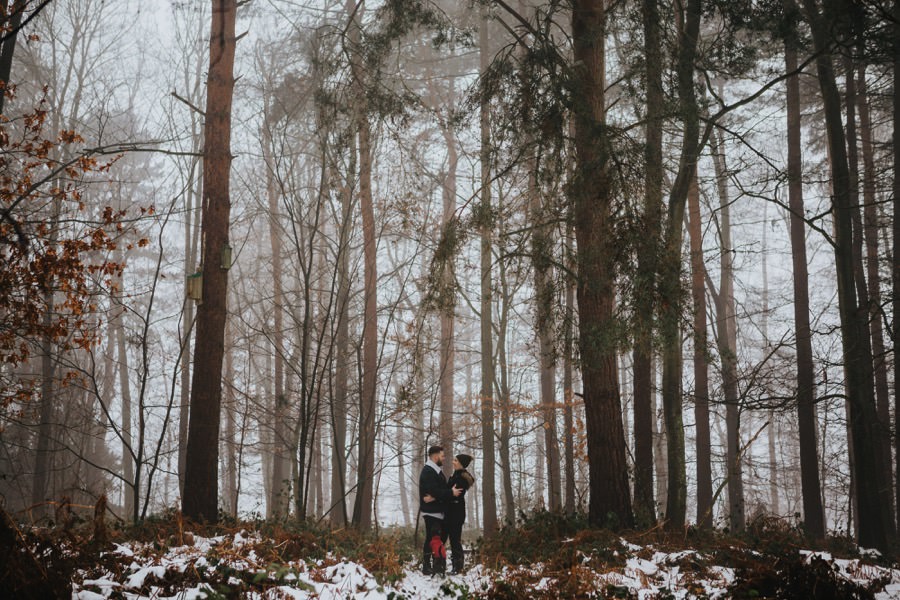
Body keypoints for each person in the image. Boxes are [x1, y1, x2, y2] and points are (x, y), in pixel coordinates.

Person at [418, 445, 461, 575]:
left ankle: (435, 564)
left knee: (435, 539)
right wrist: (450, 493)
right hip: (431, 511)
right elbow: (435, 490)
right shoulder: (428, 471)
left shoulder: (435, 470)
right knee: (431, 538)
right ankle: (426, 566)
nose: (444, 458)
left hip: (436, 509)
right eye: (442, 456)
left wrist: (437, 496)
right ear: (435, 456)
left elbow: (437, 492)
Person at [445, 453, 474, 573]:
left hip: (456, 513)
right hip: (450, 511)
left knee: (455, 540)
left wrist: (447, 493)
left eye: (456, 460)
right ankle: (454, 565)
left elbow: (456, 494)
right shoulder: (456, 475)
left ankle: (458, 566)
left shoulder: (461, 478)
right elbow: (449, 491)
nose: (453, 462)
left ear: (461, 464)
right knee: (451, 539)